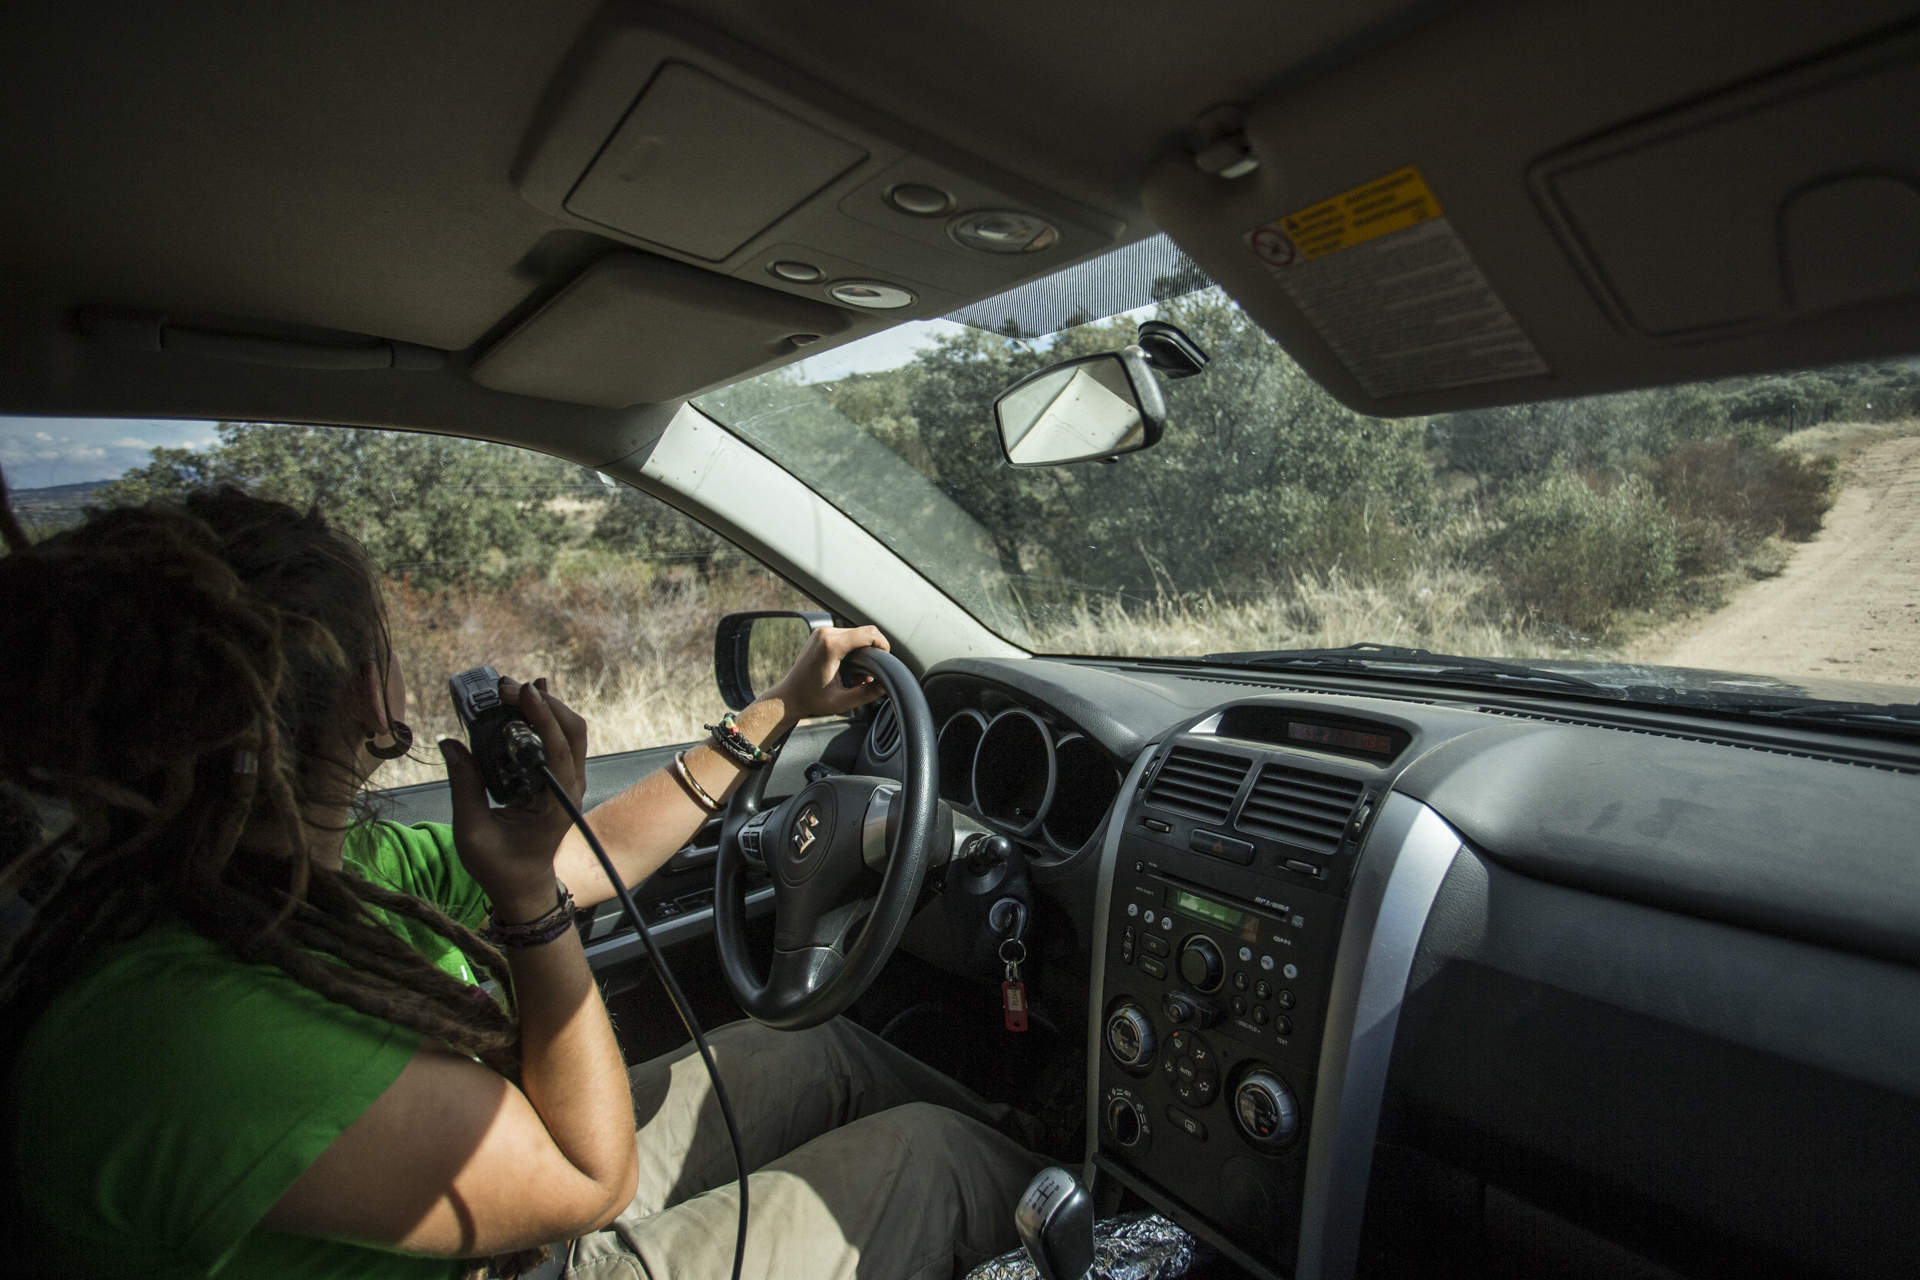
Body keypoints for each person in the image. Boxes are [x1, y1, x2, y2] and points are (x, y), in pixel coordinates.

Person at [0, 479, 1043, 1280]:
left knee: (821, 1048)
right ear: (374, 695)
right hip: (525, 1240)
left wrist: (773, 709)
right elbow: (593, 1182)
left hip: (498, 1213)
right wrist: (527, 904)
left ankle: (1046, 1162)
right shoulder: (190, 1037)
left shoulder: (292, 874)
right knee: (937, 1156)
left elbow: (595, 859)